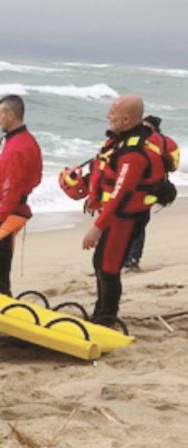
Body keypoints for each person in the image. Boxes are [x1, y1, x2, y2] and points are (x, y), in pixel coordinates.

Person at [82, 96, 168, 325]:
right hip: (117, 214)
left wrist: (96, 228)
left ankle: (106, 318)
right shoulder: (121, 141)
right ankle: (101, 313)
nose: (107, 116)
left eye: (112, 112)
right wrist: (94, 197)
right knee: (101, 262)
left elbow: (121, 194)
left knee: (108, 265)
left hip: (125, 217)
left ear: (127, 119)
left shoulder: (133, 153)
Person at [0, 95, 42, 296]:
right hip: (7, 208)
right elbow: (36, 176)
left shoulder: (18, 147)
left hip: (9, 211)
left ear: (11, 115)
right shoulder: (22, 140)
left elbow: (11, 190)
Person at [122, 115, 180, 271]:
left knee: (128, 223)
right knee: (138, 223)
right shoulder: (167, 142)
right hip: (153, 188)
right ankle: (132, 259)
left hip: (133, 187)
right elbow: (174, 166)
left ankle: (126, 259)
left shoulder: (133, 138)